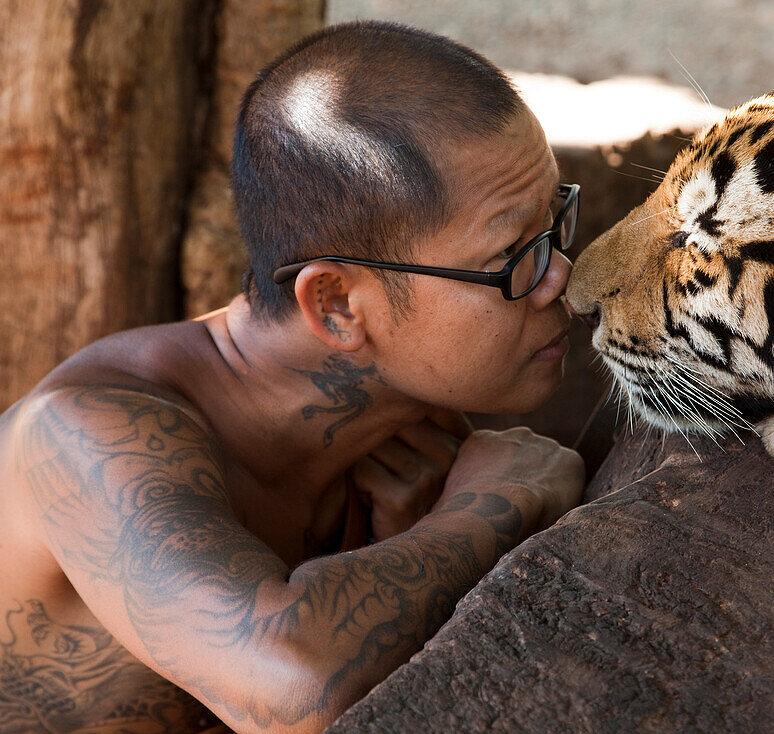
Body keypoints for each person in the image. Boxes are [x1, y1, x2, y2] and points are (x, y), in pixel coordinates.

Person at [0, 21, 585, 734]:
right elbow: (290, 689)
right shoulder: (86, 433)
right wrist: (493, 506)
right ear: (337, 304)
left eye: (557, 220)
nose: (565, 280)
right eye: (512, 256)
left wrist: (416, 539)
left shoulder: (406, 441)